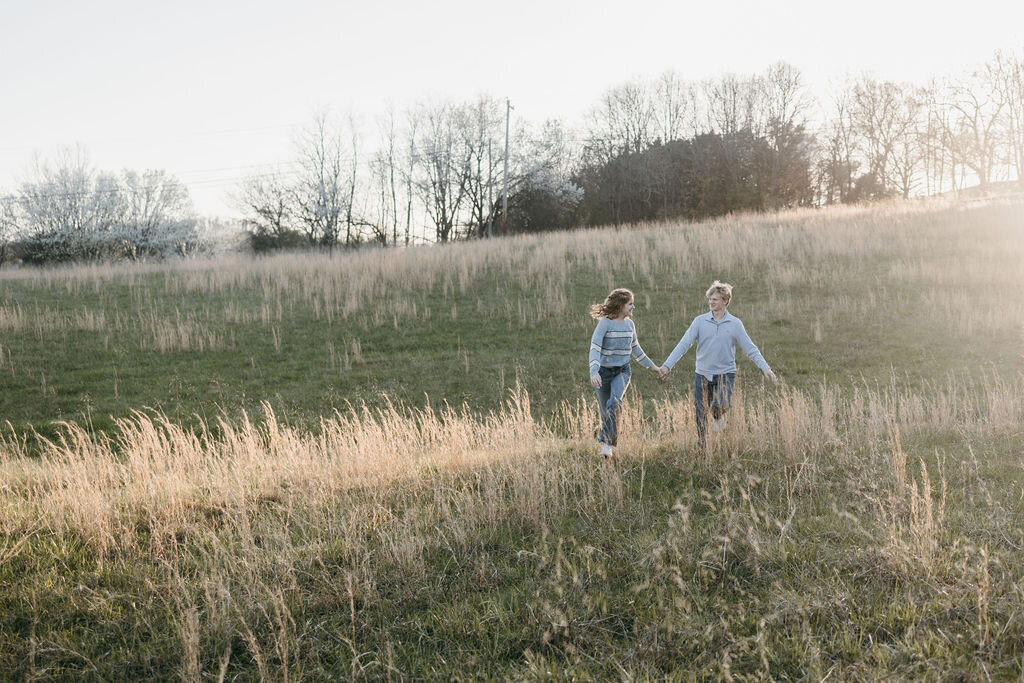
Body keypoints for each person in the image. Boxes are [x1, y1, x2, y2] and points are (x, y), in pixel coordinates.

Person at [659, 281, 777, 446]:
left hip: (726, 373)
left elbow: (750, 348)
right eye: (710, 299)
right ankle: (703, 443)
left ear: (725, 301)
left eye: (715, 299)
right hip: (702, 374)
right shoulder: (699, 322)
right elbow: (683, 344)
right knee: (700, 410)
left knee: (721, 405)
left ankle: (718, 418)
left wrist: (766, 368)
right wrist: (667, 366)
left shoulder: (735, 324)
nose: (711, 302)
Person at [588, 288, 661, 457]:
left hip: (622, 371)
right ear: (620, 305)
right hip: (602, 373)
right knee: (606, 412)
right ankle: (609, 446)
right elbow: (595, 349)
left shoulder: (630, 325)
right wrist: (594, 372)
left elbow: (636, 349)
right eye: (630, 304)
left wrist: (653, 367)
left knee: (614, 403)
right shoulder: (605, 324)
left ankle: (607, 446)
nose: (633, 307)